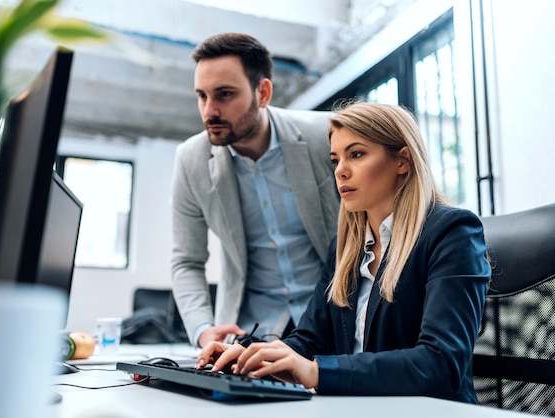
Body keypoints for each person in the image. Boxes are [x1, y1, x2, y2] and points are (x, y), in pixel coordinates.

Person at [195, 102, 491, 404]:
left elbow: (440, 363)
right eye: (335, 159)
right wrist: (255, 355)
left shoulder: (452, 232)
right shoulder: (346, 246)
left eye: (356, 154)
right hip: (357, 407)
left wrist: (316, 373)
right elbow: (309, 339)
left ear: (402, 161)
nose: (340, 171)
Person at [171, 33, 340, 348]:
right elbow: (186, 261)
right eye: (202, 96)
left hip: (333, 321)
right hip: (248, 331)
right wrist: (202, 330)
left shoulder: (325, 136)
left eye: (224, 94)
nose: (209, 111)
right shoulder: (190, 160)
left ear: (262, 93)